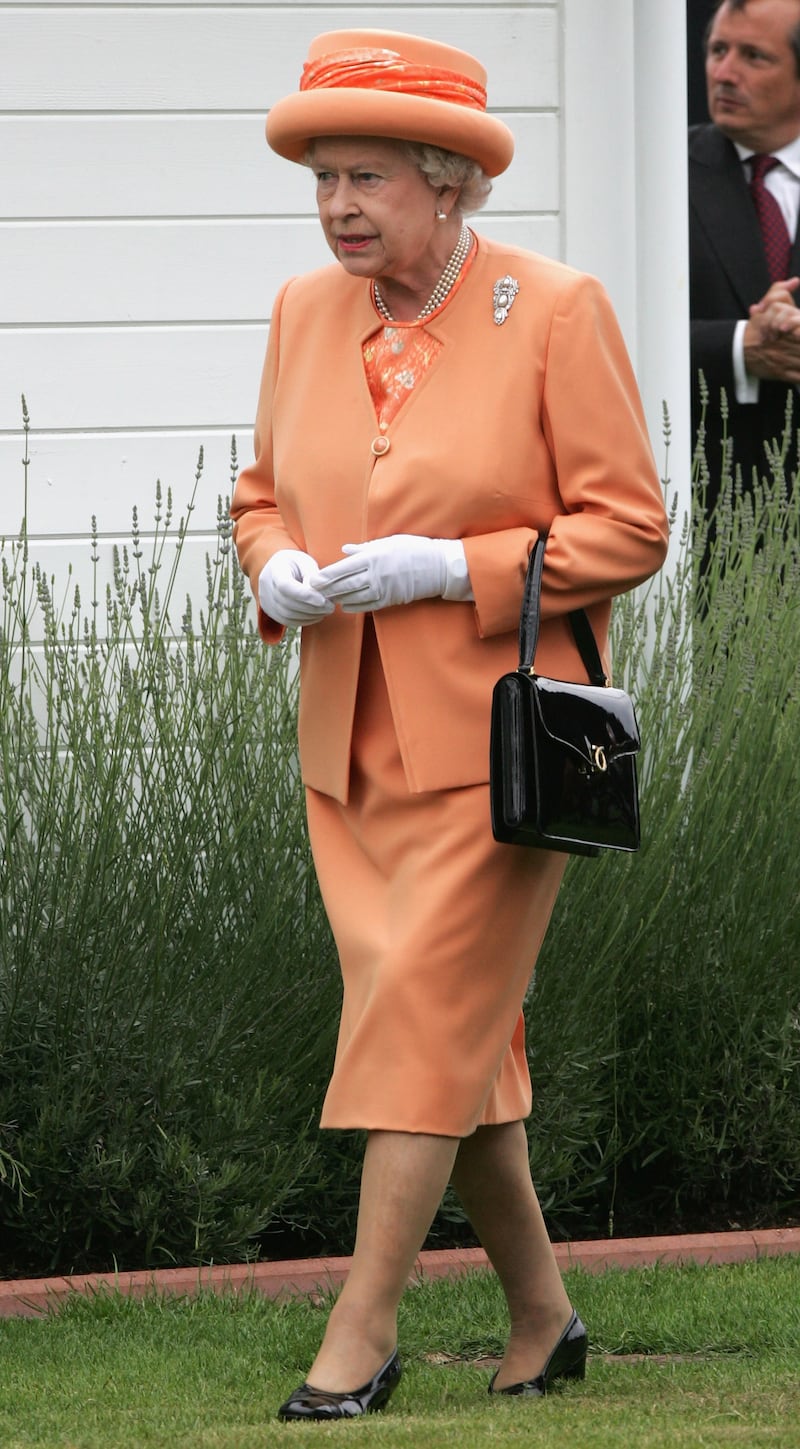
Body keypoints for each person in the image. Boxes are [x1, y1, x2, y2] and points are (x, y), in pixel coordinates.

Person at [231, 28, 669, 1423]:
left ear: (447, 184)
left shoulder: (551, 309)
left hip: (497, 755)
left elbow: (631, 526)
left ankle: (359, 1334)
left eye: (365, 176)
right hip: (346, 753)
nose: (338, 204)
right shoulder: (307, 312)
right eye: (322, 177)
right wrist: (272, 569)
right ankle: (543, 1316)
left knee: (420, 1028)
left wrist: (454, 566)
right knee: (456, 1042)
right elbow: (260, 492)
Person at [690, 0, 800, 510]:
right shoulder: (657, 172)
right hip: (701, 500)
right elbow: (609, 326)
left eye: (754, 56)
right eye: (717, 50)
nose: (724, 73)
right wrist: (740, 343)